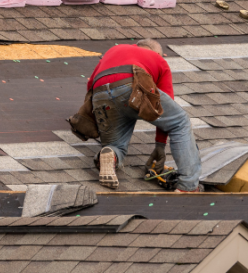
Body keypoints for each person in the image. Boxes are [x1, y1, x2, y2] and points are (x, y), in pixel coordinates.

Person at [85, 39, 203, 192]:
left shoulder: (115, 49)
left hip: (100, 94)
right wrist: (160, 146)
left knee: (116, 144)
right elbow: (163, 111)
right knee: (180, 121)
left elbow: (90, 85)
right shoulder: (158, 60)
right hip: (132, 85)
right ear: (156, 52)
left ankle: (110, 154)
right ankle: (188, 186)